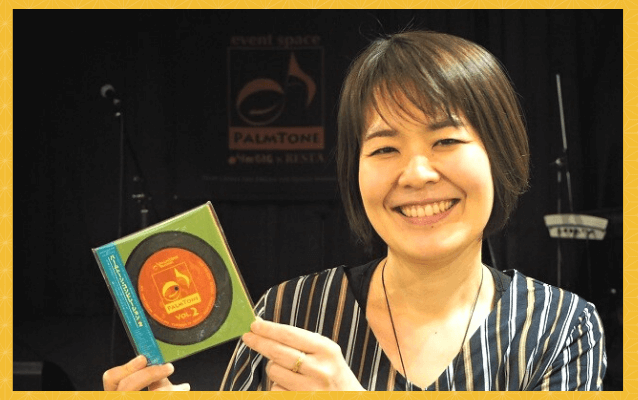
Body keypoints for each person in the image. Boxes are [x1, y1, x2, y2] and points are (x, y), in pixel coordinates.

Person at [102, 30, 606, 391]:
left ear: (500, 155)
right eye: (384, 148)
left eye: (446, 140)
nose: (416, 174)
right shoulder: (289, 313)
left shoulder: (560, 328)